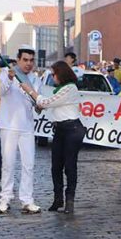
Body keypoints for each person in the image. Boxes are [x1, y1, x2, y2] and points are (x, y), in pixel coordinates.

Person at [21, 61, 85, 214]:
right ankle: (58, 199)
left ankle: (69, 200)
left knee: (70, 166)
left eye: (54, 74)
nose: (53, 77)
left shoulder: (70, 88)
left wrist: (30, 91)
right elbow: (47, 105)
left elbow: (47, 102)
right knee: (56, 167)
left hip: (72, 129)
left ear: (61, 74)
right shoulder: (59, 89)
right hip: (60, 130)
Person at [0, 45, 42, 214]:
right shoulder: (6, 73)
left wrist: (40, 106)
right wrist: (9, 78)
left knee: (28, 165)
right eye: (25, 60)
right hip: (8, 126)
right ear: (18, 60)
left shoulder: (36, 79)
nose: (28, 63)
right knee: (8, 164)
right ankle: (5, 199)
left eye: (31, 60)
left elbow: (38, 103)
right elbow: (0, 92)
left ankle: (27, 200)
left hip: (27, 127)